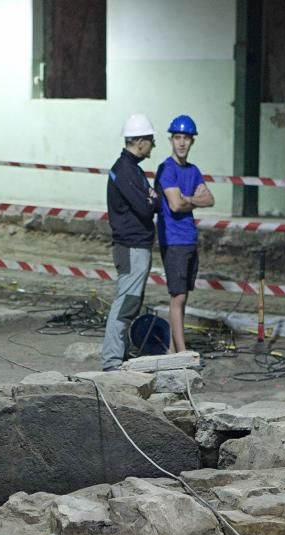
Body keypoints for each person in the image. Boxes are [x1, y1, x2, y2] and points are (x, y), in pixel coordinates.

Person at [101, 113, 158, 371]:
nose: (153, 145)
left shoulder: (129, 169)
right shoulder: (125, 171)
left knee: (129, 302)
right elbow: (146, 209)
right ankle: (112, 362)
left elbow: (148, 203)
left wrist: (151, 199)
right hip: (132, 247)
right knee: (126, 303)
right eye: (151, 140)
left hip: (134, 246)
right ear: (141, 141)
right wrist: (153, 200)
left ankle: (119, 357)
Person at [154, 114, 214, 353]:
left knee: (183, 297)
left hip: (189, 239)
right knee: (177, 297)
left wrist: (186, 198)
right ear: (171, 140)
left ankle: (172, 351)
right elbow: (175, 206)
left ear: (192, 142)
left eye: (186, 138)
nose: (181, 143)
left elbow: (209, 199)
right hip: (174, 240)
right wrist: (192, 199)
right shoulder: (166, 169)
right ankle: (181, 352)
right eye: (177, 137)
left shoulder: (193, 170)